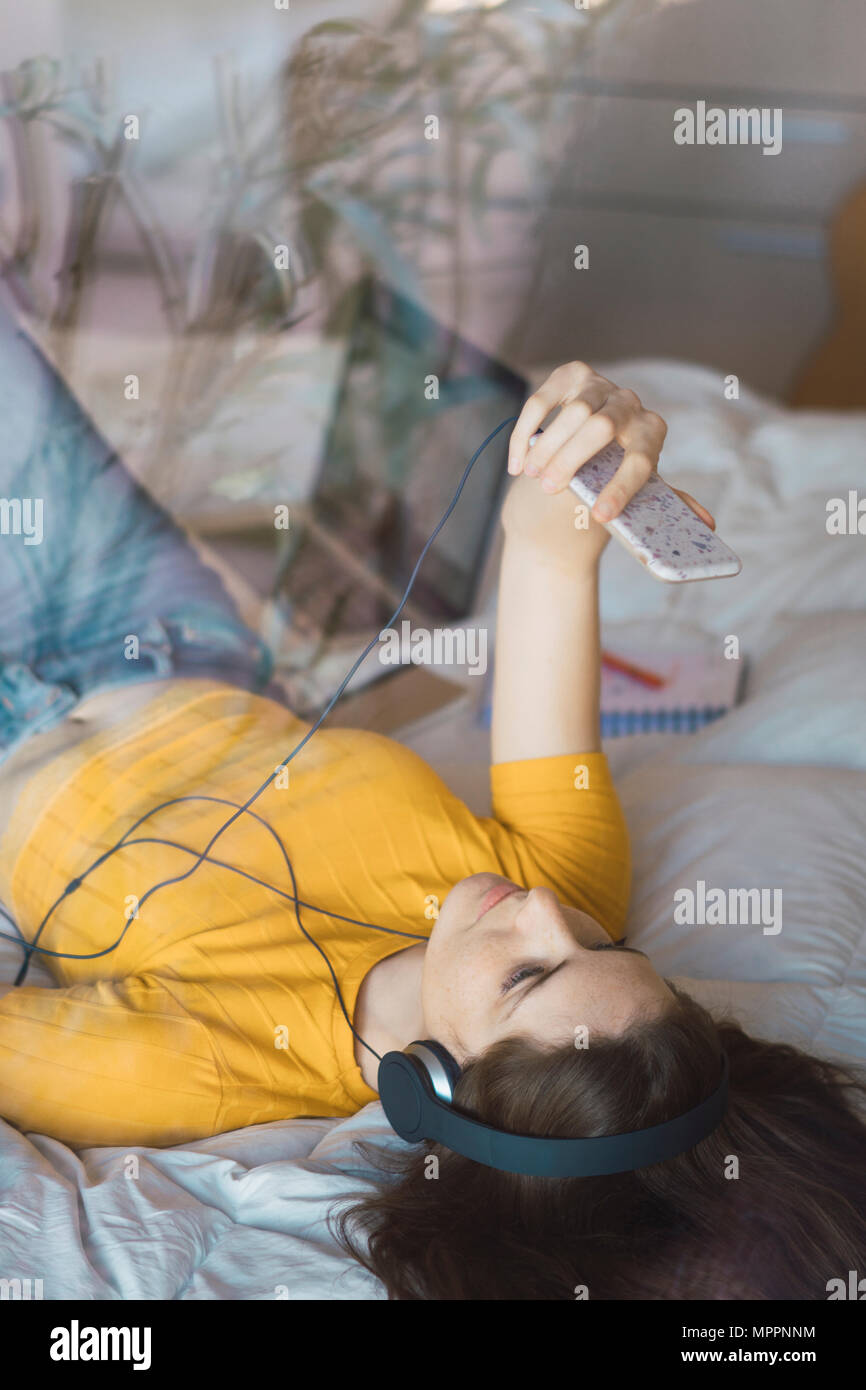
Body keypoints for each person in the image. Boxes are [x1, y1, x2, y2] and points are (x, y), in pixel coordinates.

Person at [0, 298, 863, 1300]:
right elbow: (547, 555)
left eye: (527, 979)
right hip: (166, 639)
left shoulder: (204, 1066)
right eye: (607, 947)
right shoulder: (569, 883)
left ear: (433, 1083)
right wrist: (582, 458)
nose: (543, 908)